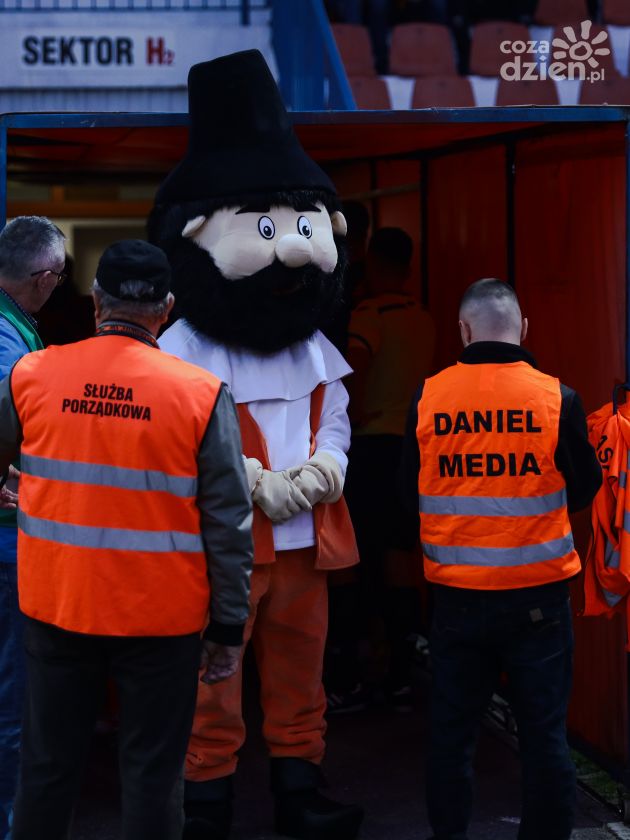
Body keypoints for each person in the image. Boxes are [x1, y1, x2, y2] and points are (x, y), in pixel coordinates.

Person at [0, 239, 254, 840]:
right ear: (165, 309)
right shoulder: (200, 394)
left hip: (58, 608)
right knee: (152, 779)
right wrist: (227, 628)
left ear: (96, 302)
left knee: (46, 770)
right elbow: (228, 521)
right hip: (160, 623)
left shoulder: (33, 374)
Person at [401, 278, 602, 840]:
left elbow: (406, 493)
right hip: (538, 602)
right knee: (544, 737)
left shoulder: (428, 398)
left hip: (457, 600)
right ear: (524, 329)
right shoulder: (557, 398)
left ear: (463, 331)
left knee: (452, 736)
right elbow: (585, 488)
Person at [327, 227, 435, 712]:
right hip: (411, 445)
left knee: (347, 558)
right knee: (398, 555)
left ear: (372, 264)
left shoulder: (370, 314)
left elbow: (355, 367)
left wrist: (343, 416)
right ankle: (402, 673)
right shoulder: (423, 317)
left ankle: (348, 673)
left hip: (369, 444)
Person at [0, 215, 67, 839]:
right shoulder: (5, 342)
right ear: (44, 279)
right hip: (7, 538)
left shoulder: (14, 326)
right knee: (14, 692)